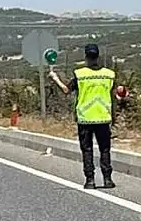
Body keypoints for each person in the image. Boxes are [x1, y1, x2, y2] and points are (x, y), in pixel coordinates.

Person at [49, 43, 118, 189]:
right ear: (98, 56)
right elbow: (114, 95)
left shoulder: (80, 75)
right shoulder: (109, 74)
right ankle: (107, 179)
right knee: (104, 149)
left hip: (85, 118)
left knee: (87, 149)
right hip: (103, 117)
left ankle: (90, 180)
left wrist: (55, 78)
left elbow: (66, 90)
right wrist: (115, 115)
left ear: (86, 57)